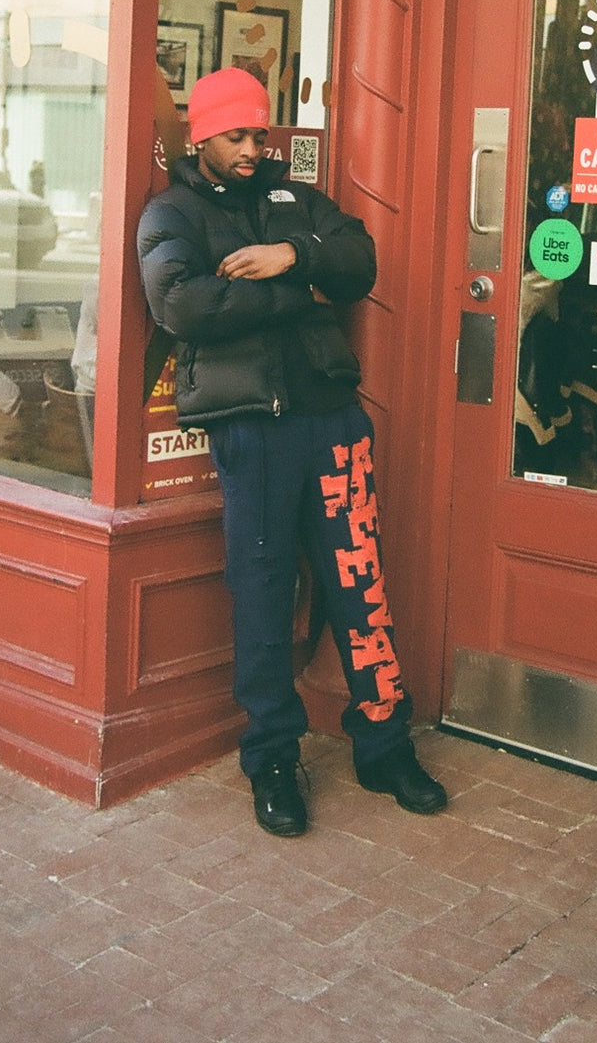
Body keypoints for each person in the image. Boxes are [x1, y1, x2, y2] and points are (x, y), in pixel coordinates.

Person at [137, 66, 446, 836]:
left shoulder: (295, 201)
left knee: (359, 582)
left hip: (332, 419)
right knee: (264, 591)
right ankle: (273, 757)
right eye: (234, 135)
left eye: (258, 133)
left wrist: (292, 256)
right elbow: (181, 303)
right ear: (202, 136)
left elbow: (358, 261)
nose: (251, 148)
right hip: (250, 429)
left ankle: (384, 745)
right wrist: (298, 294)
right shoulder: (171, 212)